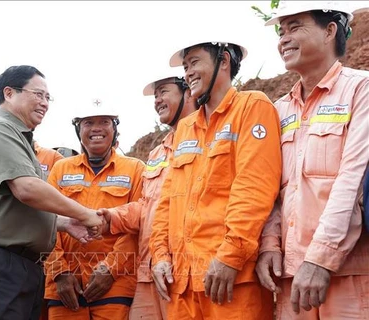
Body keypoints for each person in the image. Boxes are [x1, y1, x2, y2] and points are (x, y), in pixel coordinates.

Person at [0, 65, 103, 320]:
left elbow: (12, 208)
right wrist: (86, 214)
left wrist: (63, 223)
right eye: (38, 94)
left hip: (18, 266)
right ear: (9, 93)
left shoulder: (19, 138)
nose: (45, 103)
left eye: (48, 97)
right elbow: (27, 189)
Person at [149, 37, 282, 320]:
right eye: (185, 66)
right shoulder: (185, 128)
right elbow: (166, 202)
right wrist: (160, 255)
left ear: (223, 61)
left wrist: (230, 256)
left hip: (228, 280)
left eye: (195, 62)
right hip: (181, 284)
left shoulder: (252, 107)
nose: (188, 73)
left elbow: (255, 188)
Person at [256, 2, 369, 319]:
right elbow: (271, 189)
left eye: (295, 27)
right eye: (281, 31)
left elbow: (354, 179)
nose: (284, 39)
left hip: (347, 273)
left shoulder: (361, 89)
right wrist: (268, 244)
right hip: (291, 277)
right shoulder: (279, 109)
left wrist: (320, 259)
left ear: (330, 31)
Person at [98, 71, 196, 320]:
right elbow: (146, 206)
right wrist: (111, 217)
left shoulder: (205, 139)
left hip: (184, 270)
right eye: (155, 95)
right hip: (149, 270)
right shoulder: (157, 154)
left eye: (163, 91)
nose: (157, 100)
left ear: (188, 91)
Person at [43, 101, 145, 320]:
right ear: (78, 129)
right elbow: (46, 220)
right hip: (65, 288)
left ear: (115, 128)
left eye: (104, 122)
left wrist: (110, 269)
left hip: (115, 285)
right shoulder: (61, 169)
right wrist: (59, 272)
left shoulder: (135, 169)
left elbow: (138, 225)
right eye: (88, 122)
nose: (96, 128)